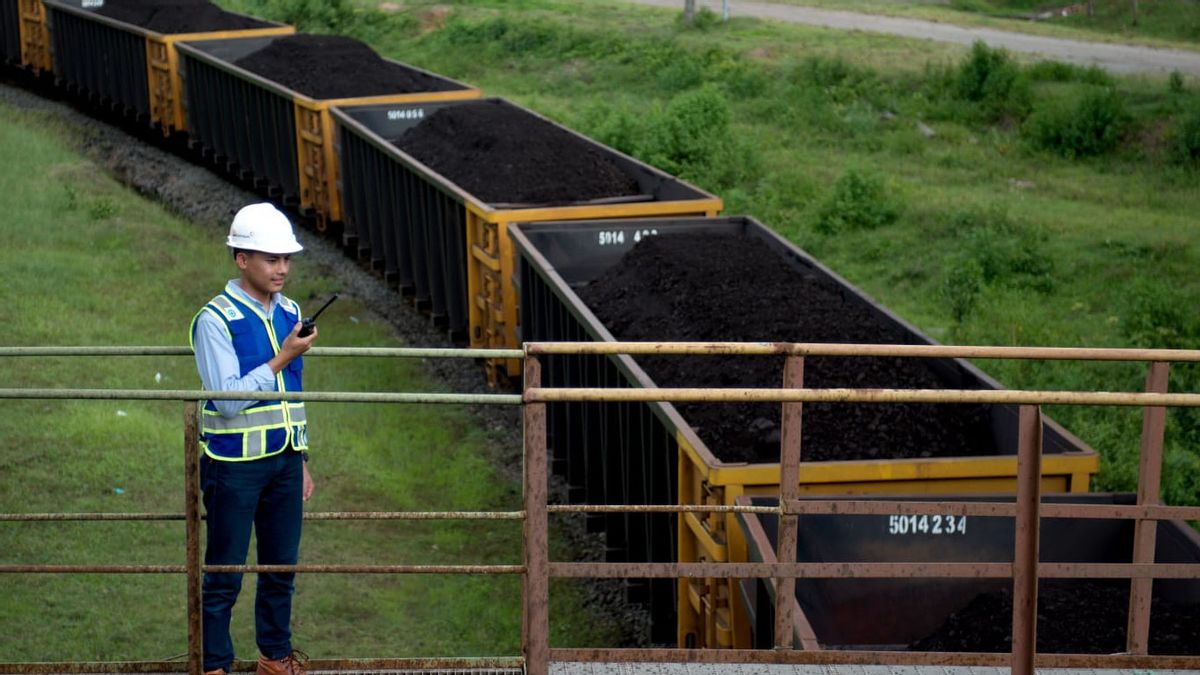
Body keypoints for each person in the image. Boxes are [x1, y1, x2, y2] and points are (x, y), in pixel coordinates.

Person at [189, 203, 316, 675]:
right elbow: (227, 401)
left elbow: (293, 392)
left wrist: (300, 456)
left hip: (284, 460)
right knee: (224, 572)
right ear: (242, 259)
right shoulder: (214, 320)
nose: (281, 268)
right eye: (270, 258)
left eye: (286, 258)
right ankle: (215, 664)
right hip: (233, 464)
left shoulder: (291, 311)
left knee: (281, 569)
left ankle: (274, 658)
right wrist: (282, 356)